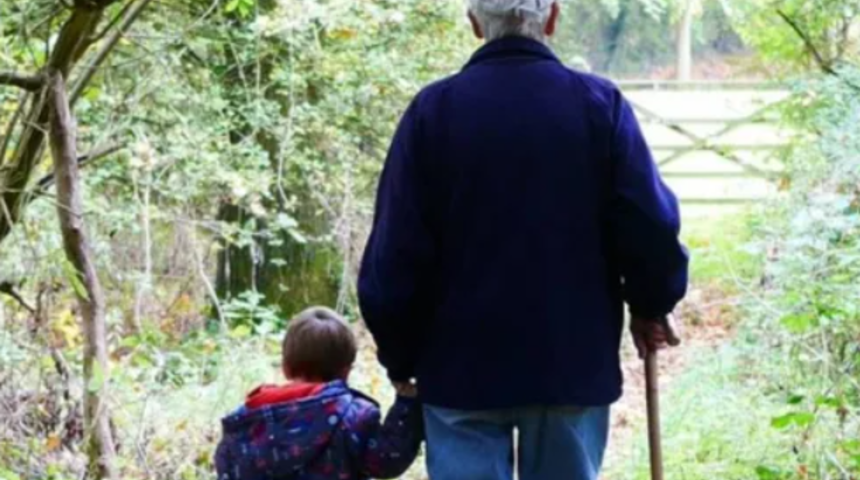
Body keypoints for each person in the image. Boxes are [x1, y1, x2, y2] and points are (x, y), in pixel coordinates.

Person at [358, 0, 690, 479]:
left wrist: (400, 356)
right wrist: (651, 303)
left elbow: (395, 252)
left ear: (475, 24)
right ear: (552, 18)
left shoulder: (433, 112)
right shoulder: (599, 105)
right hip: (570, 367)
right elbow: (648, 223)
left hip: (458, 373)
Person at [215, 307, 424, 480]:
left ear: (286, 367)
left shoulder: (247, 421)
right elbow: (387, 459)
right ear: (346, 371)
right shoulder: (354, 417)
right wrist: (407, 402)